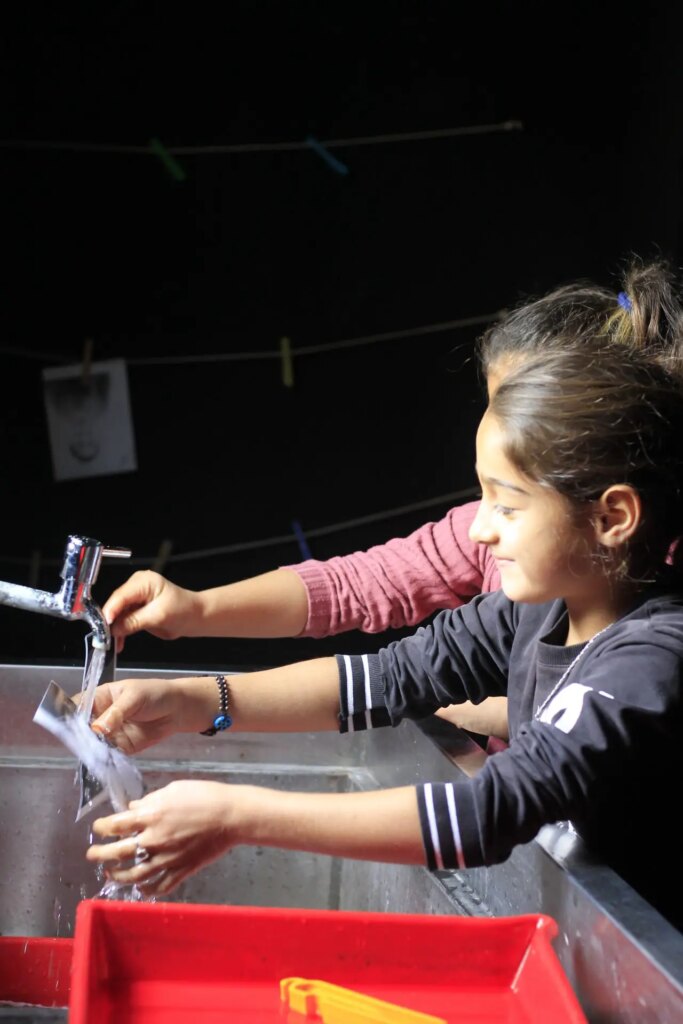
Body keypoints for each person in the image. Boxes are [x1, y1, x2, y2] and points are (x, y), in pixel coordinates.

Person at [87, 339, 683, 931]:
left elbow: (485, 813)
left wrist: (235, 815)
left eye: (507, 506)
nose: (478, 530)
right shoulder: (537, 610)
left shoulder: (652, 661)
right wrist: (191, 702)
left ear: (612, 518)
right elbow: (386, 678)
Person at [100, 259, 683, 745]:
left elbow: (537, 770)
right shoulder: (520, 607)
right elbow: (374, 613)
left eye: (524, 419)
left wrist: (488, 711)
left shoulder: (653, 630)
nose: (481, 524)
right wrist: (197, 621)